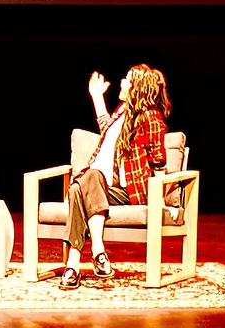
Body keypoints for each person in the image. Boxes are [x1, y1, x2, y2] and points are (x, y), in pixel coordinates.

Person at [59, 63, 172, 288]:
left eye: (127, 79)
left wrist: (161, 198)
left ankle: (83, 258)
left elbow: (159, 160)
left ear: (138, 87)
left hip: (126, 190)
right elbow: (107, 129)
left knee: (85, 180)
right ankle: (81, 261)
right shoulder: (122, 111)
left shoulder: (150, 117)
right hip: (101, 186)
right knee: (77, 188)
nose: (122, 82)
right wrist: (97, 96)